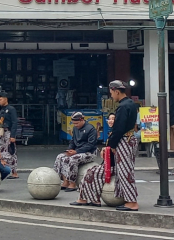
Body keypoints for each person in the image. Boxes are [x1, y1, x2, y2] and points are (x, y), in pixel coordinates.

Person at [74, 80, 139, 211]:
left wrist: (112, 145)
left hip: (124, 140)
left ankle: (132, 202)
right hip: (130, 139)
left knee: (125, 171)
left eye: (111, 93)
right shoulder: (131, 104)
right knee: (126, 170)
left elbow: (119, 128)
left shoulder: (122, 106)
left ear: (116, 91)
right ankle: (128, 200)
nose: (111, 96)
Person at [53, 112, 98, 192]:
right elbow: (73, 141)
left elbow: (90, 144)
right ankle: (65, 181)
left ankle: (72, 183)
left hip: (89, 152)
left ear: (82, 120)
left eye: (77, 123)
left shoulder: (91, 129)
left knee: (73, 159)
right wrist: (69, 149)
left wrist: (76, 151)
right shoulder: (75, 128)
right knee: (60, 157)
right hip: (77, 151)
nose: (75, 125)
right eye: (74, 123)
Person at [0, 91, 19, 179]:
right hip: (2, 132)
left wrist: (13, 136)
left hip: (9, 132)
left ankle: (14, 172)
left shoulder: (11, 109)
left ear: (5, 99)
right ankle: (4, 169)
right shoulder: (2, 110)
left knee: (11, 152)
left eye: (0, 99)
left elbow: (14, 122)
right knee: (1, 151)